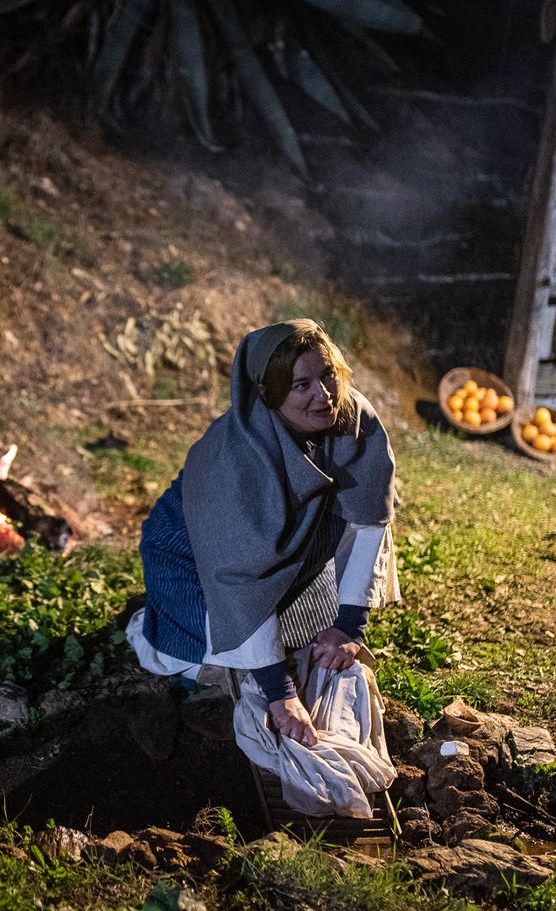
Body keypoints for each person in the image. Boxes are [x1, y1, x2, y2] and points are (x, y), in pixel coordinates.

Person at [127, 319, 400, 748]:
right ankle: (160, 617)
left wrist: (350, 625)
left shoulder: (353, 419)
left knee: (305, 638)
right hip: (193, 555)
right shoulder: (233, 460)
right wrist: (280, 693)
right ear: (269, 395)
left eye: (328, 374)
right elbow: (237, 573)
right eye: (301, 385)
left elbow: (369, 520)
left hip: (285, 544)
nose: (324, 395)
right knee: (205, 658)